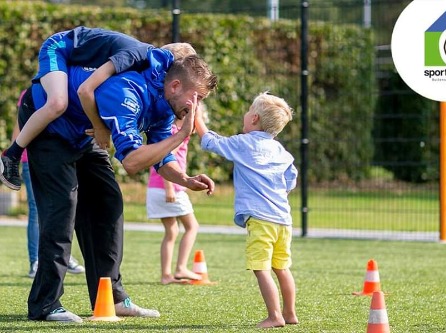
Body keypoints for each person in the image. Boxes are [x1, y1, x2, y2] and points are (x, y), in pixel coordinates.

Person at [18, 44, 217, 322]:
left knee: (108, 205)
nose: (196, 107)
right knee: (63, 208)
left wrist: (185, 179)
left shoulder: (166, 104)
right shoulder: (127, 91)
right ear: (174, 85)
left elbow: (162, 155)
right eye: (195, 98)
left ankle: (111, 297)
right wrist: (180, 135)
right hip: (51, 129)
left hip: (85, 136)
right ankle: (45, 304)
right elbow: (133, 162)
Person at [0, 26, 196, 191]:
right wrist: (99, 126)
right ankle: (12, 154)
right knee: (57, 103)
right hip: (59, 47)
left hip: (76, 60)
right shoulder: (136, 56)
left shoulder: (148, 76)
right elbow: (86, 90)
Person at [193, 92, 299, 328]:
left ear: (254, 120)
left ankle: (275, 316)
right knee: (282, 267)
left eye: (249, 110)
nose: (246, 114)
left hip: (261, 220)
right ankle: (290, 313)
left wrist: (197, 117)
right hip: (283, 219)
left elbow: (211, 142)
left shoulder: (244, 143)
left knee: (261, 268)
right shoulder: (280, 151)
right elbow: (291, 177)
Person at [13, 90, 85, 278]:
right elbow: (19, 127)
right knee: (36, 210)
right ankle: (36, 261)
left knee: (66, 206)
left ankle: (63, 256)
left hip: (60, 156)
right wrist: (14, 158)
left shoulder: (67, 90)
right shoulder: (30, 94)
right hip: (32, 159)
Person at [146, 116, 202, 285]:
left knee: (172, 232)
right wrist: (169, 187)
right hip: (168, 188)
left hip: (154, 187)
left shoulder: (165, 131)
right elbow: (167, 158)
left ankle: (166, 275)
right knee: (192, 226)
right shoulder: (176, 134)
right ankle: (181, 268)